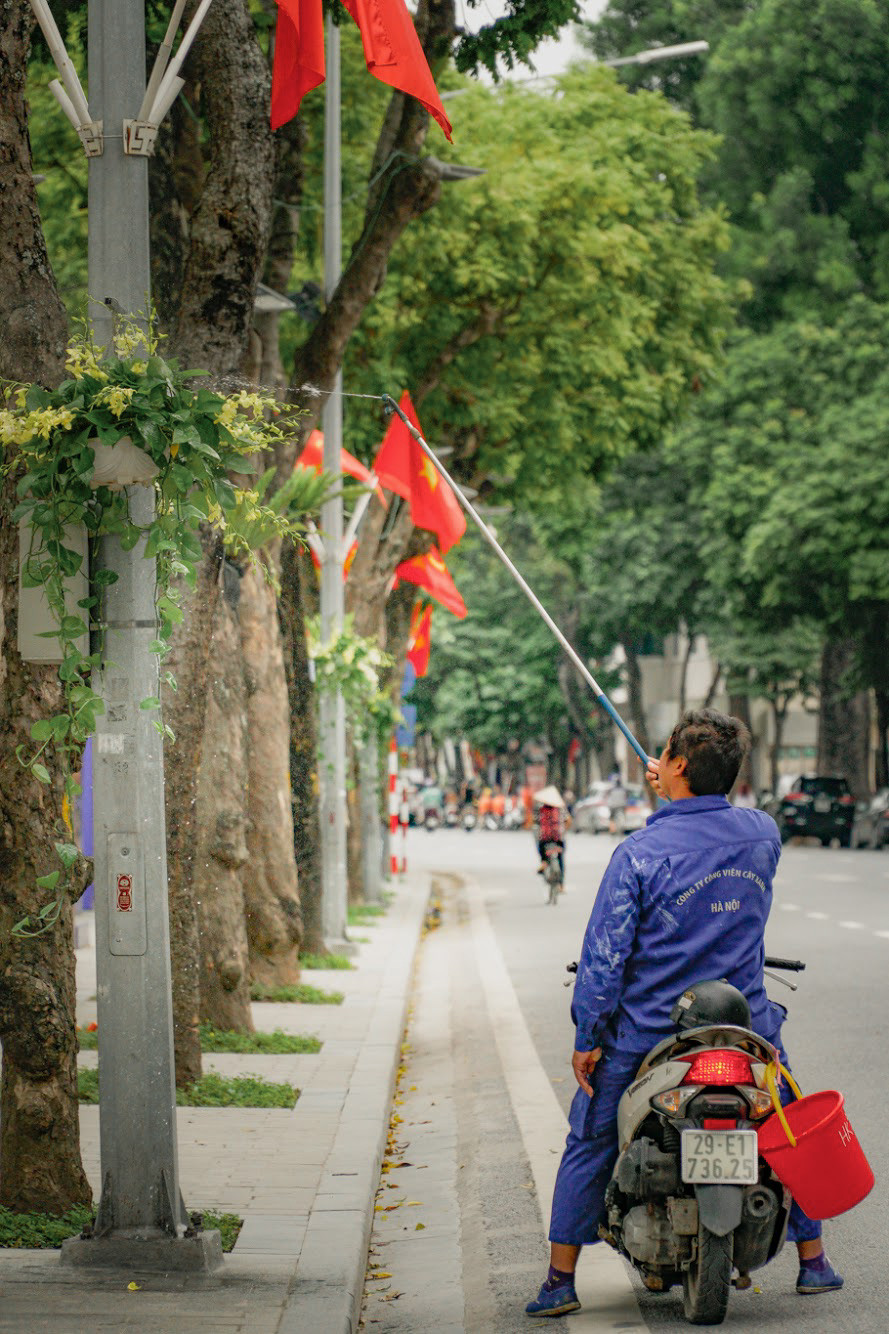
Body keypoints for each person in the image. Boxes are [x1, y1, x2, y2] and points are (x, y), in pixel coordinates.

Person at [526, 709, 842, 1319]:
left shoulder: (638, 855)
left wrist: (589, 1036)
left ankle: (560, 1280)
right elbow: (711, 830)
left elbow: (604, 957)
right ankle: (814, 1260)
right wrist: (681, 793)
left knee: (591, 1133)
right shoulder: (762, 834)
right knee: (787, 1123)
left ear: (675, 764)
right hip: (746, 1030)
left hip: (650, 1035)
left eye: (671, 756)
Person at [533, 786, 568, 883]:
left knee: (539, 845)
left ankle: (544, 862)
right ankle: (561, 884)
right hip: (558, 838)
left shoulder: (540, 810)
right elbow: (567, 820)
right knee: (560, 857)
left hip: (545, 838)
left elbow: (535, 821)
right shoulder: (561, 809)